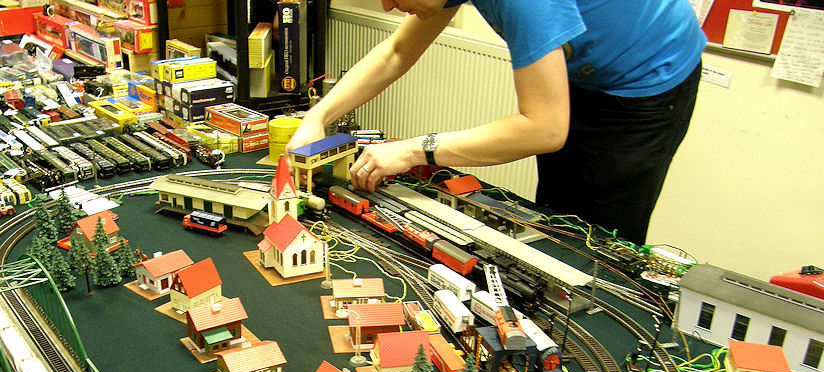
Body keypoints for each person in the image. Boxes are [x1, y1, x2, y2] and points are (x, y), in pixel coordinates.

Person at [286, 0, 705, 245]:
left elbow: (545, 129)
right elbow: (396, 52)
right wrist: (317, 117)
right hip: (583, 73)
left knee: (599, 242)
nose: (386, 6)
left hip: (646, 85)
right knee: (558, 219)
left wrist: (414, 150)